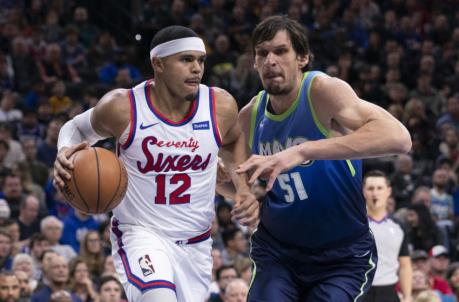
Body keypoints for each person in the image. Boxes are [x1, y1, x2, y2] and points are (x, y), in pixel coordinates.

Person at [53, 25, 258, 302]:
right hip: (141, 234)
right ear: (158, 63)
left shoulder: (220, 105)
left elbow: (234, 141)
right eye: (186, 59)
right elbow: (75, 127)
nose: (197, 68)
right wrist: (65, 151)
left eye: (200, 60)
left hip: (196, 242)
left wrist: (243, 187)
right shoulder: (122, 107)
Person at [234, 16, 411, 301]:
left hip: (342, 256)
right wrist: (242, 193)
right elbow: (235, 172)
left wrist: (303, 150)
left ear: (302, 58)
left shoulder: (321, 90)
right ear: (254, 63)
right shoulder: (250, 115)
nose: (270, 60)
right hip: (279, 253)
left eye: (280, 51)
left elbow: (399, 137)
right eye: (262, 53)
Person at [362, 170, 412, 302]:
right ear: (363, 191)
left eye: (379, 188)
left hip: (389, 293)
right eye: (370, 188)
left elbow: (405, 265)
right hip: (359, 291)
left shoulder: (399, 226)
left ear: (388, 191)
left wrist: (407, 296)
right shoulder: (354, 225)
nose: (375, 193)